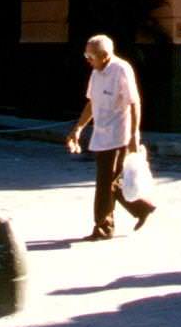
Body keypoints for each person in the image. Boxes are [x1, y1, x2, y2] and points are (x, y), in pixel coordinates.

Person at [64, 34, 154, 240]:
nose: (87, 59)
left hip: (118, 135)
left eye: (90, 56)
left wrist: (134, 134)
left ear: (104, 56)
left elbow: (134, 102)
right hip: (101, 134)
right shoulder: (96, 73)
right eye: (86, 55)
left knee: (104, 182)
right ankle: (142, 207)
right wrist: (77, 129)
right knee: (110, 181)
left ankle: (103, 227)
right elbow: (91, 104)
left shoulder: (122, 69)